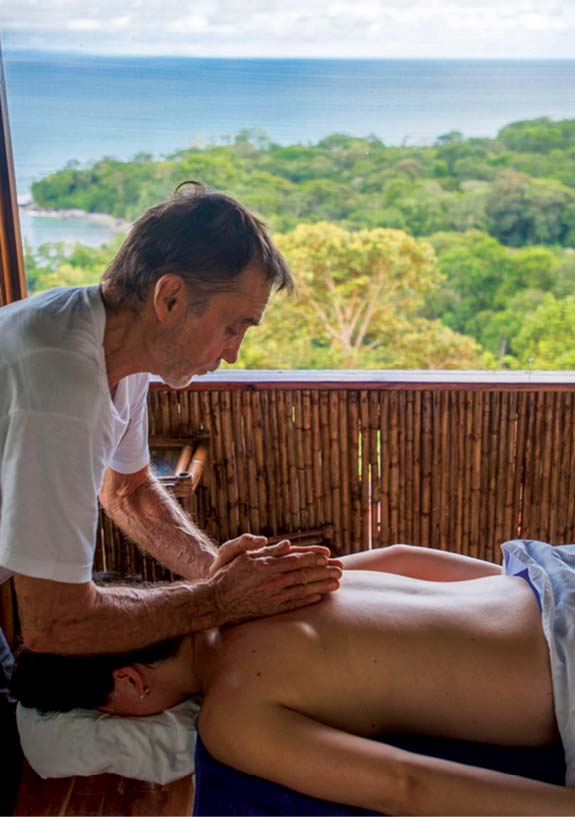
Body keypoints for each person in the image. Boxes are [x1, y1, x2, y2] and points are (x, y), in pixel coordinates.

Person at [0, 180, 342, 656]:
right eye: (232, 327)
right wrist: (220, 600)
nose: (234, 353)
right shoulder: (59, 388)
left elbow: (130, 492)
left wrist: (215, 570)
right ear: (170, 299)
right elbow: (56, 624)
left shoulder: (115, 340)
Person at [11, 540, 575, 815]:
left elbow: (407, 785)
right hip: (549, 576)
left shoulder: (231, 715)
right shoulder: (251, 581)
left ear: (130, 683)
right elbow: (405, 559)